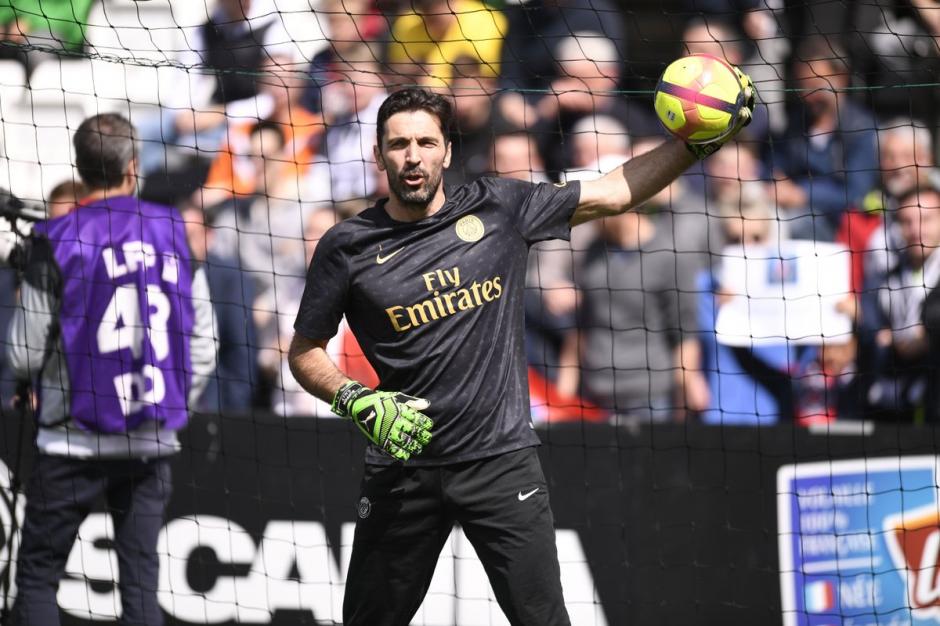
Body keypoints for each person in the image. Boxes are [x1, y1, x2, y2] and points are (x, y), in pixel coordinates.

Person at [287, 77, 754, 623]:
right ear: (378, 155)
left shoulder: (500, 206)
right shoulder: (346, 246)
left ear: (447, 151)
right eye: (399, 144)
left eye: (426, 142)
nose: (413, 157)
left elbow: (613, 193)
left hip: (501, 463)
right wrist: (355, 399)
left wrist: (695, 145)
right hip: (403, 466)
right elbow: (304, 352)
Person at [6, 113, 217, 625]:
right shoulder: (174, 230)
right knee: (140, 584)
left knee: (37, 577)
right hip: (149, 442)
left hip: (70, 440)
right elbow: (205, 344)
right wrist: (169, 405)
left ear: (80, 169)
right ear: (133, 166)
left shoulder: (57, 237)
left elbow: (24, 354)